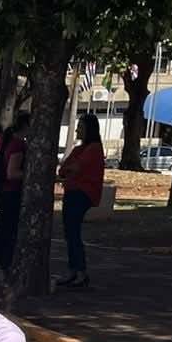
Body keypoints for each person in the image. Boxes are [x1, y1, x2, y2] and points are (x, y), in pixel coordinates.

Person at [57, 112, 104, 288]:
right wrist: (68, 169)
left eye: (81, 127)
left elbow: (74, 168)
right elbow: (64, 170)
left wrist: (69, 169)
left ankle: (81, 271)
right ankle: (73, 269)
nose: (77, 130)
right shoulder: (78, 149)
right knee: (69, 232)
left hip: (82, 193)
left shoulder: (93, 149)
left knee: (73, 232)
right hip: (71, 191)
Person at [0, 113, 28, 271]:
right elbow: (12, 172)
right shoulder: (18, 144)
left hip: (4, 192)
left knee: (4, 229)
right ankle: (3, 263)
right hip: (11, 193)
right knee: (8, 231)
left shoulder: (10, 141)